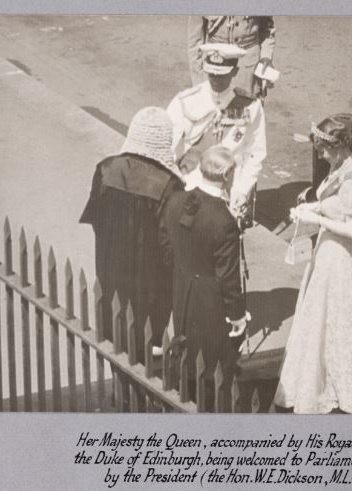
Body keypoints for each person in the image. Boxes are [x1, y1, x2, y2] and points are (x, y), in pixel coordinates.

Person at [273, 117, 352, 414]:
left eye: (324, 150)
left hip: (340, 257)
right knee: (320, 316)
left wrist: (316, 219)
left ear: (339, 147)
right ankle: (321, 378)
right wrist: (310, 207)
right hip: (326, 251)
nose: (320, 155)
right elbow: (332, 204)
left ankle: (340, 385)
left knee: (337, 317)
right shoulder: (339, 166)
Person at [80, 107, 184, 362]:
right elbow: (168, 244)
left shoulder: (105, 169)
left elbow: (96, 220)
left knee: (115, 328)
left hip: (110, 265)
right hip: (150, 279)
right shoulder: (169, 184)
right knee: (146, 342)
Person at [160, 146, 248, 411]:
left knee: (187, 348)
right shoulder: (224, 220)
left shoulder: (176, 202)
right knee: (215, 362)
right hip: (211, 300)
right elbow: (228, 277)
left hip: (182, 288)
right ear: (228, 176)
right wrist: (237, 315)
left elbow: (165, 244)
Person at [167, 43, 267, 217]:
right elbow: (168, 148)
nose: (215, 78)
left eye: (221, 74)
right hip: (190, 186)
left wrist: (242, 190)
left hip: (228, 194)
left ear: (235, 71)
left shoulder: (251, 106)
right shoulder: (186, 101)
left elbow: (255, 153)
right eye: (211, 72)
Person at [187, 16, 276, 94]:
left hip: (248, 69)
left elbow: (267, 29)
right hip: (214, 66)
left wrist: (266, 56)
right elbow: (195, 42)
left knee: (249, 109)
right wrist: (198, 82)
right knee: (214, 110)